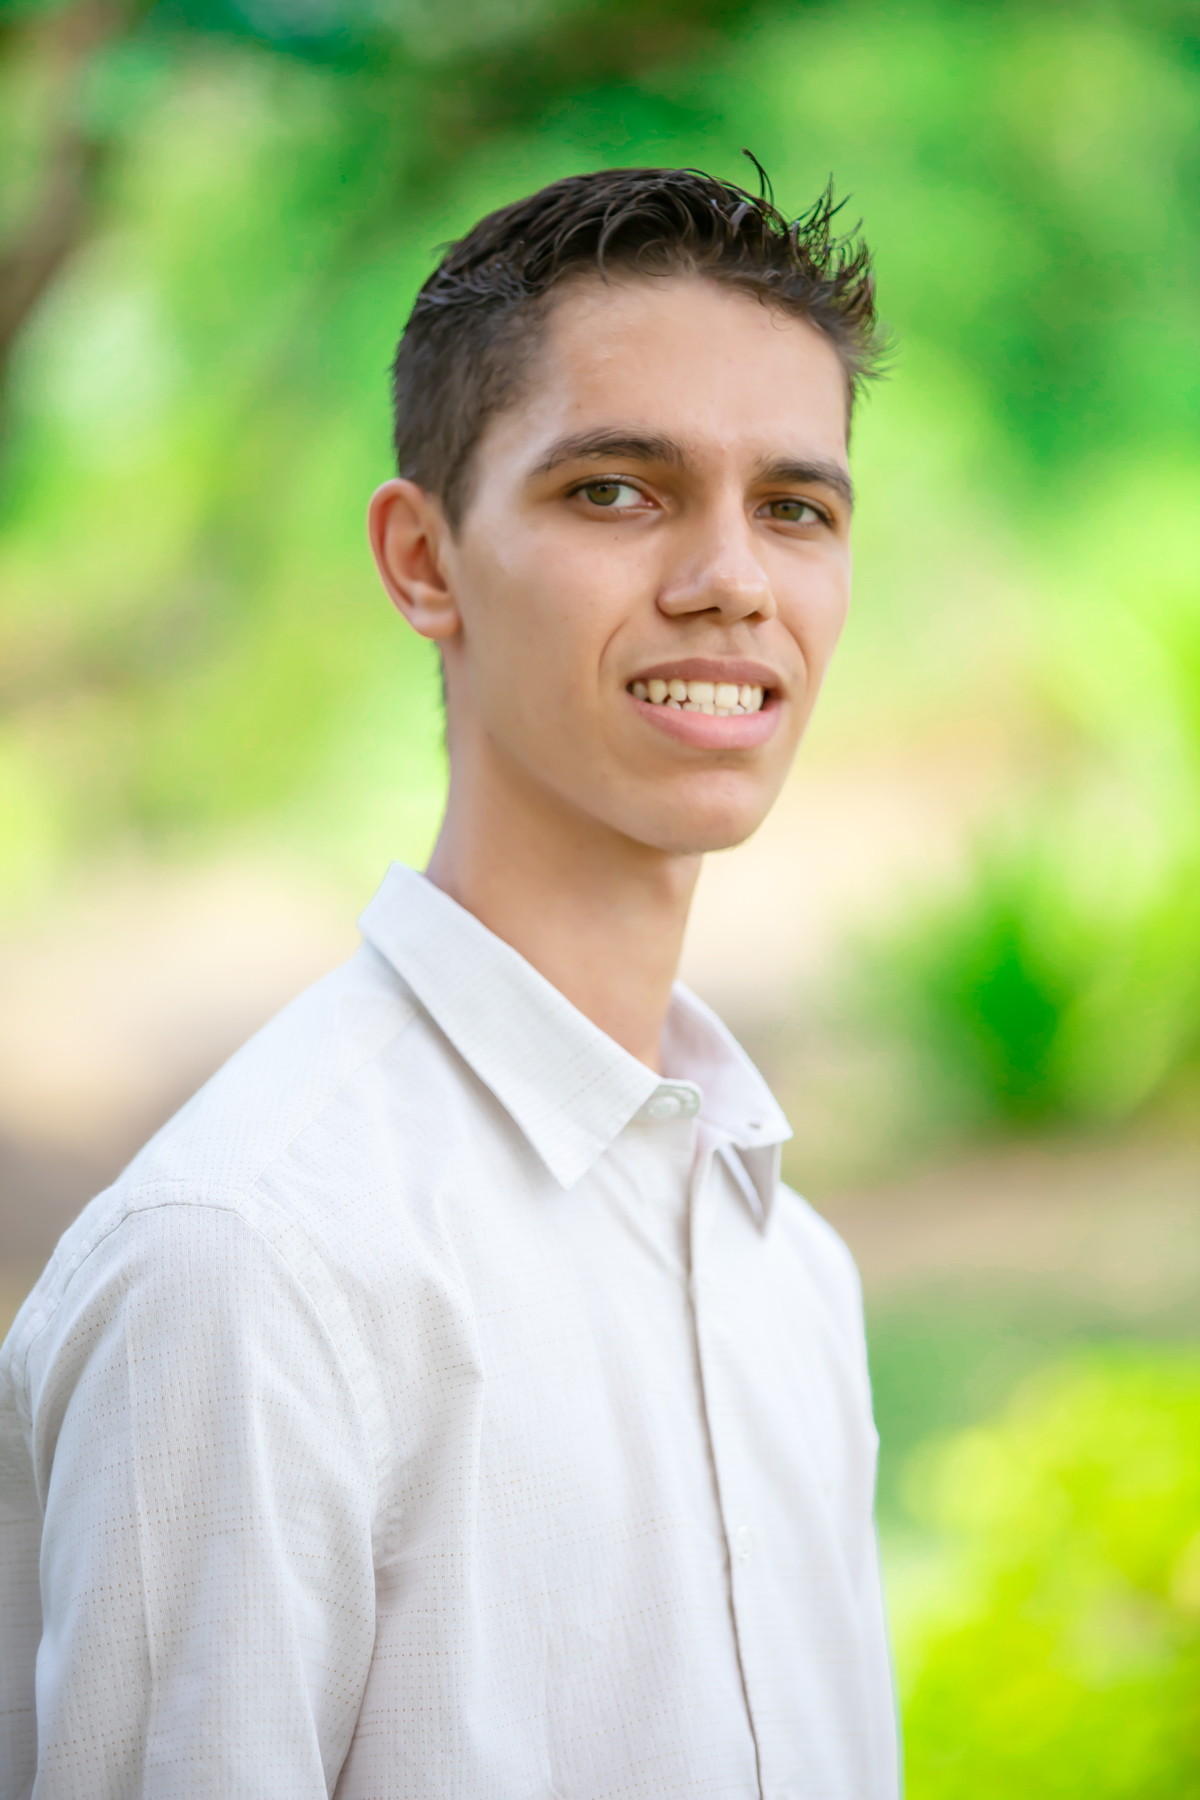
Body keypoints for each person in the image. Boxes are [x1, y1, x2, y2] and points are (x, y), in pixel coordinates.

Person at [0, 165, 898, 1799]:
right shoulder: (248, 1265)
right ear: (425, 561)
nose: (732, 580)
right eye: (618, 492)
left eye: (795, 507)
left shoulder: (794, 1269)